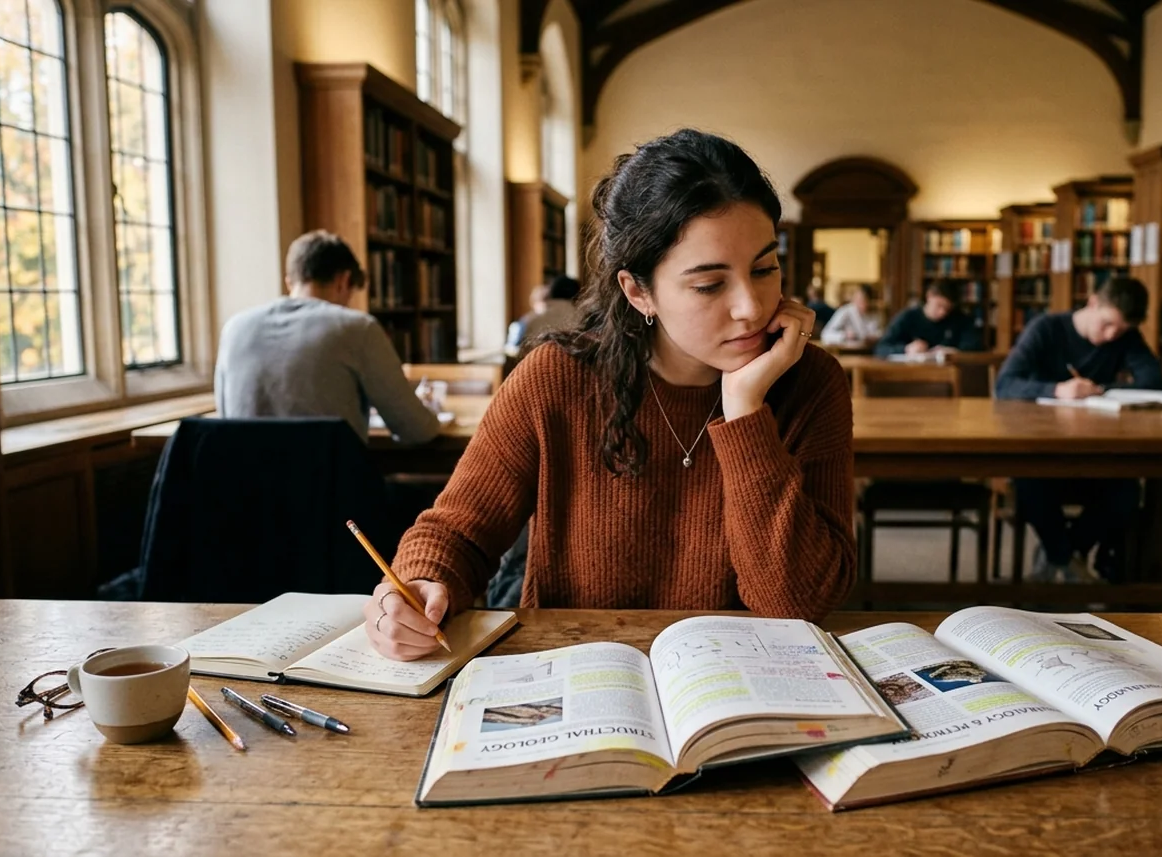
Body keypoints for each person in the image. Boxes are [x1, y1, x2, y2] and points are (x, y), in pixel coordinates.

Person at [363, 129, 857, 660]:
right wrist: (417, 585)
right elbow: (459, 531)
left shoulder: (810, 381)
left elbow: (798, 604)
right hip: (582, 679)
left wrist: (745, 412)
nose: (751, 307)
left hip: (741, 688)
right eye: (710, 285)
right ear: (638, 291)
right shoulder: (556, 378)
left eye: (764, 269)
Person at [994, 277, 1162, 584]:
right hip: (1041, 453)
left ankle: (1062, 554)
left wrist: (1099, 389)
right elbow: (1005, 384)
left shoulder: (1124, 337)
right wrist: (1057, 390)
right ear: (1092, 303)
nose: (1111, 335)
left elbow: (1154, 383)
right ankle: (1068, 562)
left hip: (1094, 454)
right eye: (1107, 324)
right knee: (1028, 481)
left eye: (1121, 330)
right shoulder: (1047, 329)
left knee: (1127, 492)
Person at [214, 229, 441, 445]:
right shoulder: (358, 329)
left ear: (290, 282)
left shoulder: (234, 328)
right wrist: (428, 411)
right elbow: (416, 430)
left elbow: (226, 418)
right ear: (343, 280)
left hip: (245, 484)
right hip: (331, 483)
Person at [875, 280, 983, 357]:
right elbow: (881, 349)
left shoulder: (959, 319)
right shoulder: (908, 317)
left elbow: (976, 347)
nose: (942, 313)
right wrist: (906, 349)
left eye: (947, 309)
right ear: (929, 296)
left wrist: (954, 352)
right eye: (939, 305)